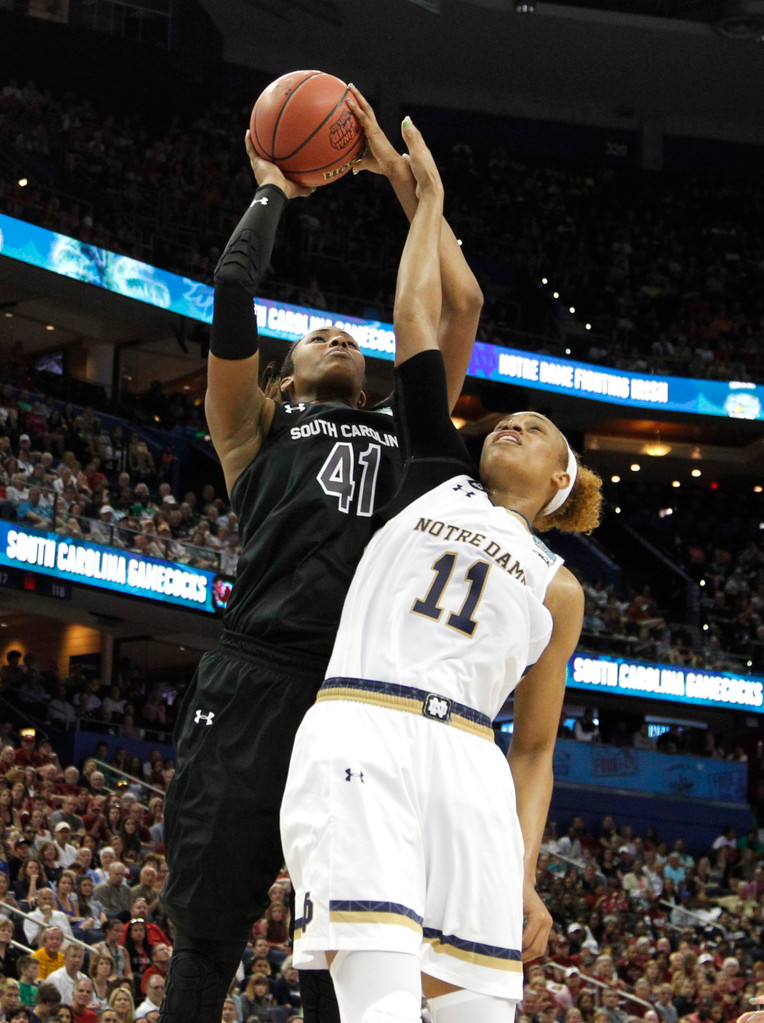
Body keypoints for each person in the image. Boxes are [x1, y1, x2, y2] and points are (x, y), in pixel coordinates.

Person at [159, 87, 482, 1023]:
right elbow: (230, 291)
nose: (336, 332)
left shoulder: (405, 424)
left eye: (347, 333)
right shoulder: (250, 429)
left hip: (356, 698)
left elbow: (458, 311)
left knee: (341, 942)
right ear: (281, 375)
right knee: (209, 932)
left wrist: (409, 192)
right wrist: (275, 188)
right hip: (254, 679)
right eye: (313, 335)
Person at [279, 117, 602, 1023]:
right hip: (366, 729)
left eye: (539, 429)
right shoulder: (435, 479)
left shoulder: (558, 587)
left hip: (471, 770)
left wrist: (526, 871)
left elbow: (534, 749)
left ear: (559, 482)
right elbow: (423, 318)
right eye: (510, 417)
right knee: (375, 1006)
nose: (514, 424)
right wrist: (426, 200)